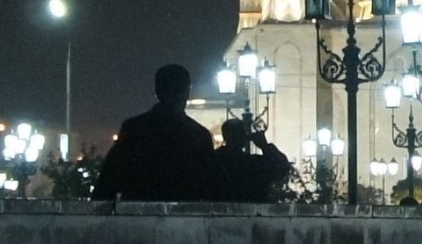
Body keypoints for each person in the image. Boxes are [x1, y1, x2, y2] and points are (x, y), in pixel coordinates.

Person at [94, 64, 217, 201]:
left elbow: (109, 180)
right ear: (187, 92)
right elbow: (212, 186)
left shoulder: (134, 129)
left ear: (157, 91)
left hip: (138, 214)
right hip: (185, 217)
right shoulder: (198, 135)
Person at [211, 117, 292, 204]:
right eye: (241, 132)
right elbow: (282, 168)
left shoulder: (215, 160)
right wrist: (264, 146)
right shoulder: (251, 163)